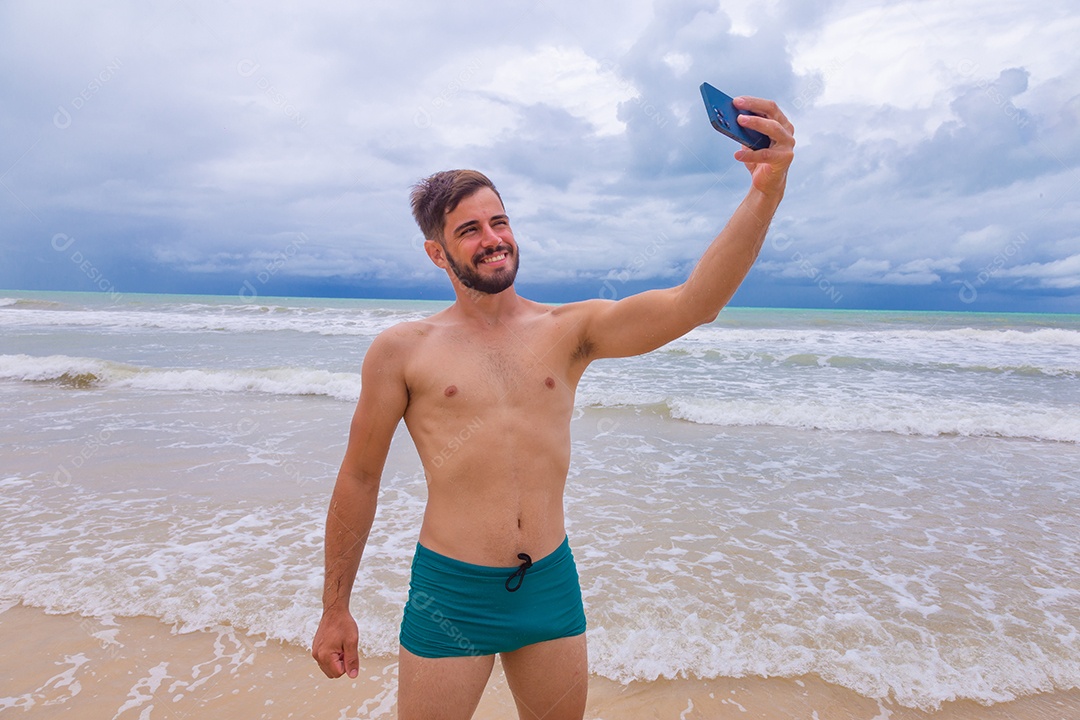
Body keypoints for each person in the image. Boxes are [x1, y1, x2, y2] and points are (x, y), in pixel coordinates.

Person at [312, 96, 795, 720]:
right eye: (470, 230)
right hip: (451, 592)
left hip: (548, 584)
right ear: (438, 253)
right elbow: (359, 477)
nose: (494, 240)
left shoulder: (569, 330)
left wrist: (766, 193)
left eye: (500, 222)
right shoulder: (403, 352)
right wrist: (335, 607)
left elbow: (693, 304)